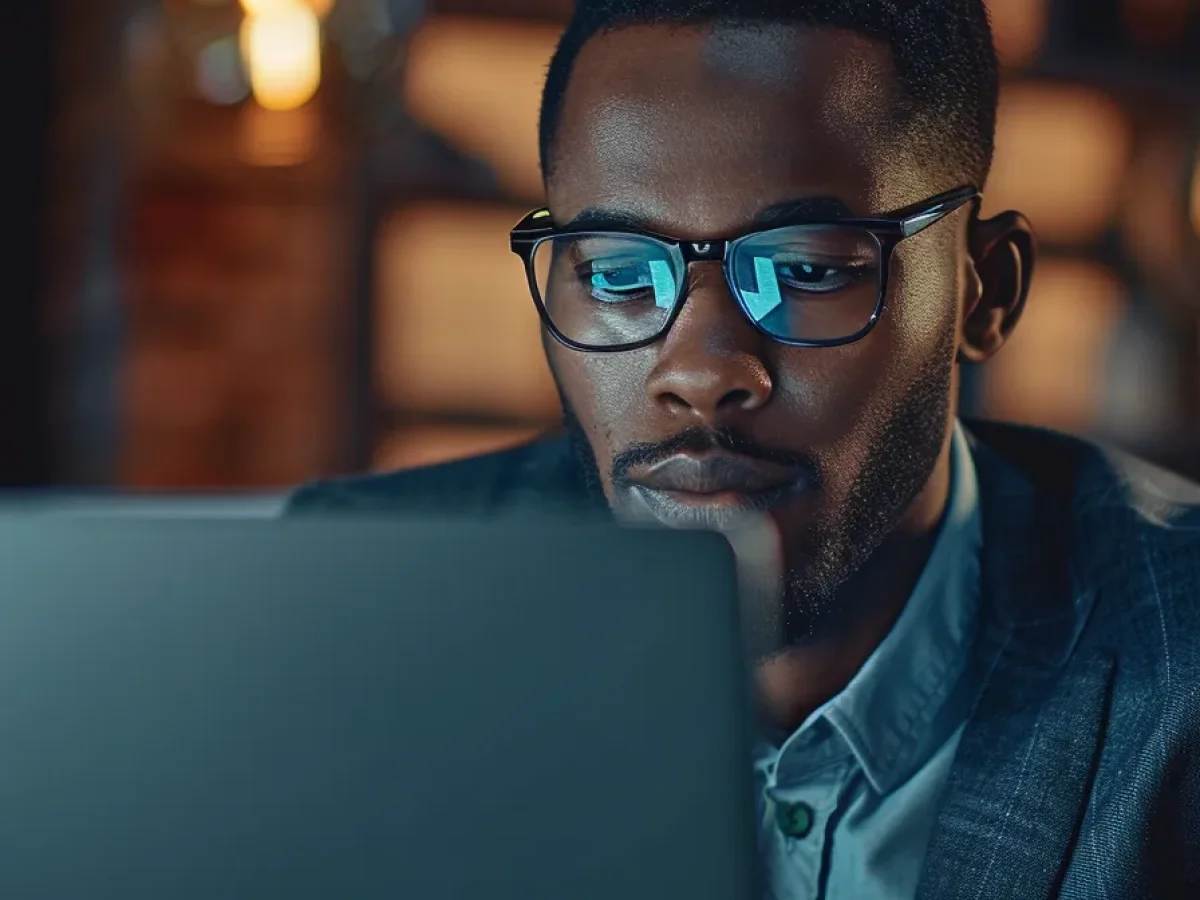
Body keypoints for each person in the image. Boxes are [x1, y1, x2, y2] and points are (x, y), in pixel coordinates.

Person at [288, 1, 1200, 896]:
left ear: (983, 292)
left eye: (805, 270)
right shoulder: (340, 612)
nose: (700, 370)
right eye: (616, 271)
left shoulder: (1178, 670)